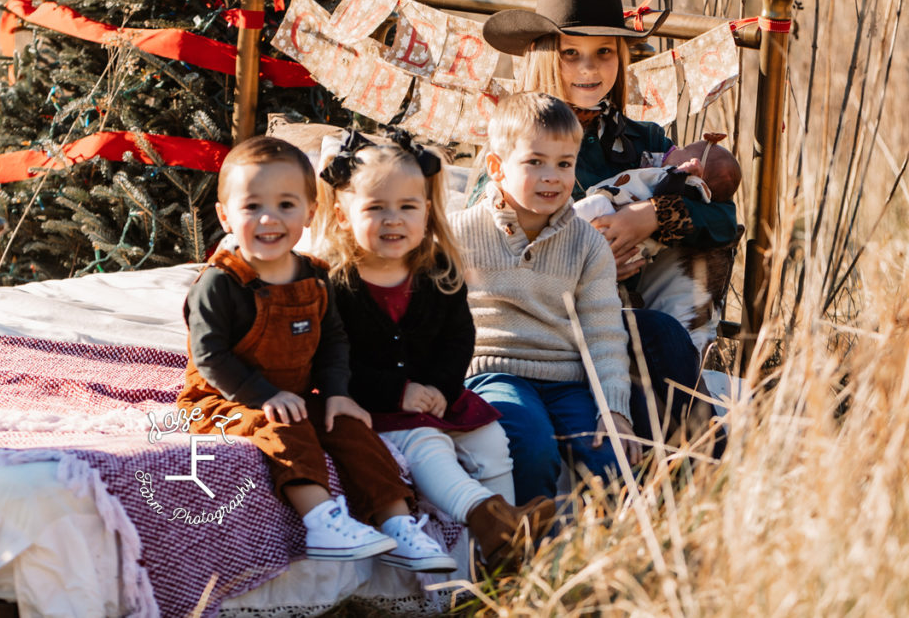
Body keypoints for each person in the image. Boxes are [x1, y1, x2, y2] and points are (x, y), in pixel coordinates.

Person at [482, 0, 736, 456]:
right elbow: (491, 248)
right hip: (550, 319)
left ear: (621, 57)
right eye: (570, 54)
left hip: (626, 312)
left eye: (604, 52)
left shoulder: (645, 140)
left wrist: (652, 216)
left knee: (653, 336)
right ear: (542, 57)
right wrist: (587, 263)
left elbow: (724, 219)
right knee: (656, 337)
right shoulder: (514, 142)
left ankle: (678, 469)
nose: (588, 69)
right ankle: (703, 466)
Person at [177, 136, 456, 572]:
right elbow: (210, 356)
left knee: (351, 428)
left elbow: (333, 342)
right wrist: (262, 395)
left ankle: (398, 524)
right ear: (225, 215)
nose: (269, 219)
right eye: (252, 207)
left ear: (309, 212)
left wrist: (337, 393)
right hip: (223, 400)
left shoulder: (314, 277)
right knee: (286, 428)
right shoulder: (220, 283)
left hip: (296, 392)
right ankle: (321, 520)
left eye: (286, 205)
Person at [316, 128, 557, 571]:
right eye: (375, 208)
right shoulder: (336, 283)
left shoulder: (437, 269)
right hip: (378, 408)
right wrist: (397, 393)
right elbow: (333, 360)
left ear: (427, 212)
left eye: (408, 207)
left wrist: (442, 388)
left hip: (438, 395)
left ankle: (506, 545)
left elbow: (458, 338)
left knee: (491, 440)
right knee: (428, 446)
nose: (394, 220)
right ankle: (480, 543)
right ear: (343, 214)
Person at [452, 92, 640, 503]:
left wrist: (614, 409)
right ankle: (525, 550)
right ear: (497, 168)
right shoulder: (459, 234)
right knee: (531, 446)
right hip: (494, 372)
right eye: (535, 162)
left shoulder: (586, 245)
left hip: (566, 380)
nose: (552, 176)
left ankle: (618, 557)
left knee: (612, 458)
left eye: (564, 163)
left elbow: (605, 332)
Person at [574, 135, 743, 261]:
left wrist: (655, 213)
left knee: (595, 205)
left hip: (618, 250)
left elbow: (725, 219)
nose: (675, 149)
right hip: (582, 264)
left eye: (682, 149)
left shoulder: (647, 137)